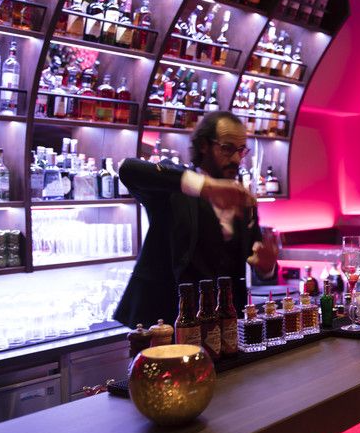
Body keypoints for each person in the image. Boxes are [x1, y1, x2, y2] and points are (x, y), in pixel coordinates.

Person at [113, 111, 278, 328]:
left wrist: (267, 267)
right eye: (227, 148)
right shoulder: (173, 186)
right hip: (167, 322)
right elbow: (128, 169)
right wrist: (206, 187)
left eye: (241, 150)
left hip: (226, 324)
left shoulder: (243, 199)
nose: (236, 159)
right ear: (203, 146)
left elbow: (255, 259)